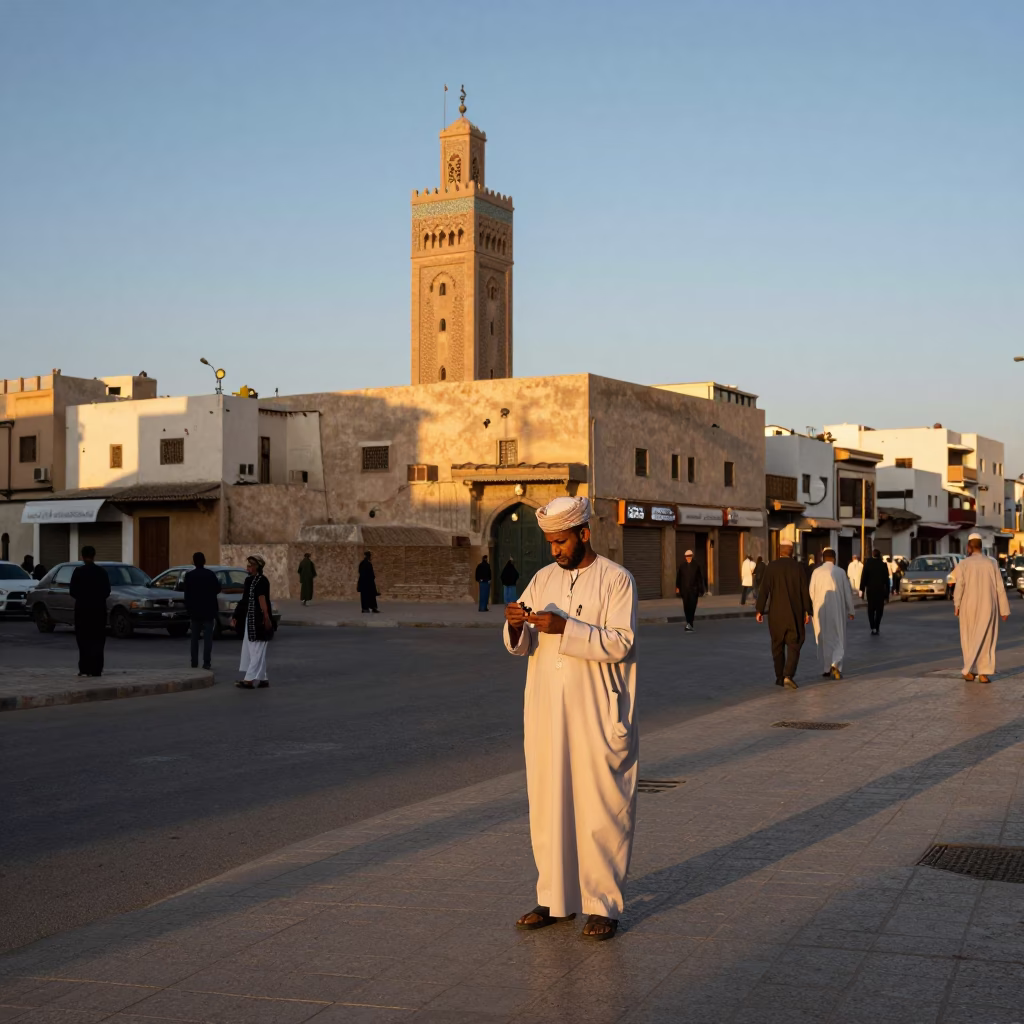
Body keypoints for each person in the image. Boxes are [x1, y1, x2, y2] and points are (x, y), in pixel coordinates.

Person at [504, 495, 638, 942]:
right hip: (546, 709)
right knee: (548, 803)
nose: (555, 551)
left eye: (561, 542)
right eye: (550, 544)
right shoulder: (542, 578)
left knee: (601, 807)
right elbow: (519, 643)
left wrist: (566, 629)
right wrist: (516, 626)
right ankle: (554, 899)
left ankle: (603, 905)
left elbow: (621, 643)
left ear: (584, 534)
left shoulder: (617, 580)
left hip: (596, 709)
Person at [755, 539, 813, 689]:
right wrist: (808, 610)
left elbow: (764, 590)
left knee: (777, 645)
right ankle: (788, 675)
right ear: (792, 551)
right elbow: (804, 591)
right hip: (794, 614)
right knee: (794, 644)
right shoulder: (798, 568)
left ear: (779, 551)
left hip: (776, 614)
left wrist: (759, 610)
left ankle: (779, 677)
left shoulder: (771, 567)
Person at [954, 533, 1010, 684]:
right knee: (987, 638)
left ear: (969, 547)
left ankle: (968, 670)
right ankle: (983, 673)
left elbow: (959, 586)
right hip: (988, 605)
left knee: (968, 638)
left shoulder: (964, 564)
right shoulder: (991, 563)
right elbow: (1000, 587)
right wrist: (1003, 609)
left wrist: (957, 604)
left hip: (968, 605)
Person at [809, 548, 856, 679]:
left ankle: (826, 668)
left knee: (824, 638)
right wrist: (851, 610)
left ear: (822, 559)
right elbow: (847, 593)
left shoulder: (816, 572)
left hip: (820, 610)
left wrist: (811, 610)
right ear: (834, 558)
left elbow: (811, 593)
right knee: (838, 636)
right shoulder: (840, 572)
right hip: (837, 610)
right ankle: (836, 664)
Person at [231, 555, 274, 688]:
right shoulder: (249, 580)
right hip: (250, 620)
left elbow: (262, 599)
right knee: (254, 650)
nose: (248, 568)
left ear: (257, 567)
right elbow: (244, 600)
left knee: (257, 649)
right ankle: (262, 678)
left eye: (250, 566)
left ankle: (249, 680)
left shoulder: (262, 581)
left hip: (258, 620)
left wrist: (266, 618)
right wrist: (236, 615)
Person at [69, 546, 110, 677]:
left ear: (82, 556)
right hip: (98, 611)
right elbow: (107, 591)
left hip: (83, 610)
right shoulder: (102, 572)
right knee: (97, 639)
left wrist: (83, 598)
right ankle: (97, 668)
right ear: (94, 555)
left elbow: (72, 591)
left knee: (83, 639)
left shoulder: (78, 572)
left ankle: (84, 668)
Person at [181, 551, 221, 670]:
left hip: (195, 611)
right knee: (207, 638)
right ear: (204, 561)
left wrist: (188, 608)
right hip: (209, 610)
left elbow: (186, 594)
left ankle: (194, 662)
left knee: (194, 638)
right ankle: (206, 662)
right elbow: (217, 589)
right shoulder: (210, 574)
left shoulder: (189, 576)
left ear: (193, 562)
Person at [675, 548, 705, 632]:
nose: (688, 558)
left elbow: (700, 578)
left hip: (694, 590)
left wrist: (701, 589)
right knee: (686, 606)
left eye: (690, 556)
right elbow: (679, 577)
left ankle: (690, 623)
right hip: (685, 590)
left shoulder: (696, 566)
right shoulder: (682, 566)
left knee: (692, 606)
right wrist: (677, 587)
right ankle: (689, 622)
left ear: (692, 556)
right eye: (687, 556)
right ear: (685, 557)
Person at [861, 549, 890, 635]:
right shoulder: (883, 565)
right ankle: (877, 626)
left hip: (870, 591)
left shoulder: (867, 564)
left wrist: (861, 590)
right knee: (879, 610)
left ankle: (872, 627)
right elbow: (887, 581)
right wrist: (887, 594)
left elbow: (863, 578)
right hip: (880, 591)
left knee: (871, 609)